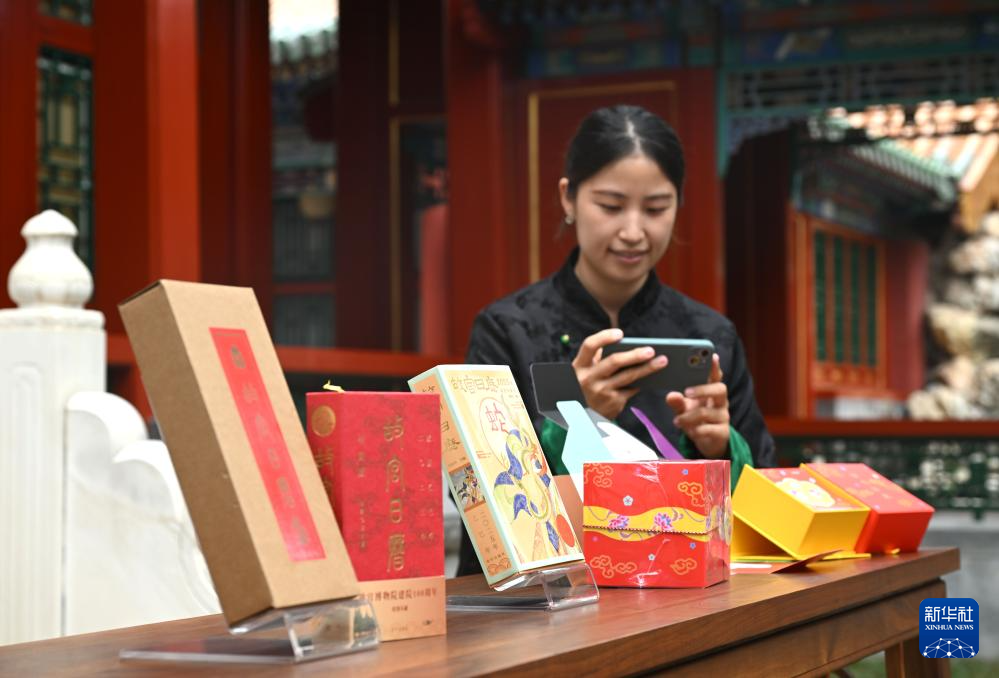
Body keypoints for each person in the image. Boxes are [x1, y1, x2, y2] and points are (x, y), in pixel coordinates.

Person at [460, 104, 777, 576]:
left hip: (681, 593)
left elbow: (764, 499)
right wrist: (573, 416)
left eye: (656, 209)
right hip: (539, 597)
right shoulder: (507, 328)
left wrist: (717, 447)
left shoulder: (710, 335)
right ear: (568, 198)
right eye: (610, 206)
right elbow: (475, 495)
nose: (633, 232)